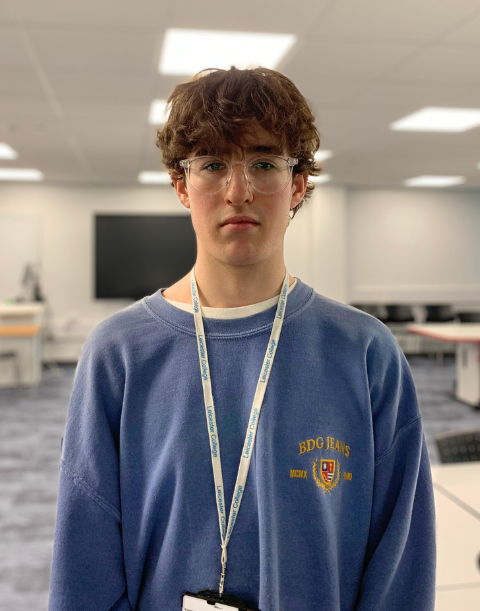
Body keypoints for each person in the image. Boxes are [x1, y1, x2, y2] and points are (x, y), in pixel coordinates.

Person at [49, 66, 436, 611]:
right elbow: (83, 565)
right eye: (211, 164)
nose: (238, 190)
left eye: (263, 163)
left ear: (298, 182)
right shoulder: (120, 353)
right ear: (182, 185)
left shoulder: (366, 353)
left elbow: (401, 565)